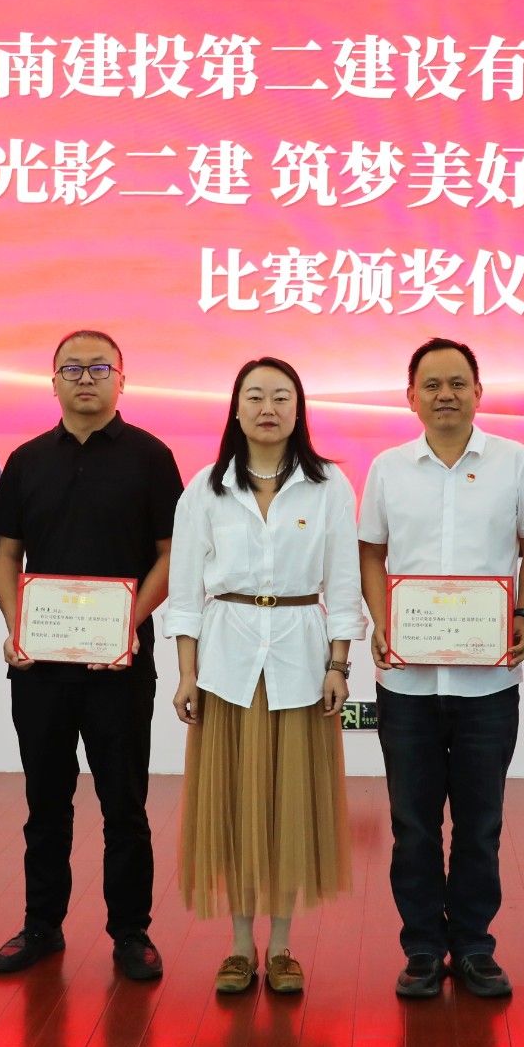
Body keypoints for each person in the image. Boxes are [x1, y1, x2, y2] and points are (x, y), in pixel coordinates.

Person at [0, 330, 183, 980]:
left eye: (100, 368)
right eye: (72, 368)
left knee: (124, 805)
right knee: (46, 803)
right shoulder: (26, 460)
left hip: (119, 665)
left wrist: (127, 623)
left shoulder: (151, 457)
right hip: (39, 666)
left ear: (122, 379)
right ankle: (41, 924)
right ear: (53, 382)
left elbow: (171, 555)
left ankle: (130, 931)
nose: (86, 378)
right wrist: (16, 626)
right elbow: (6, 554)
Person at [163, 357, 361, 996]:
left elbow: (345, 585)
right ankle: (240, 945)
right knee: (234, 806)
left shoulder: (329, 485)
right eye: (255, 396)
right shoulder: (205, 487)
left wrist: (339, 664)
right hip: (228, 666)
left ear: (299, 409)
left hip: (301, 662)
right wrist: (187, 673)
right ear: (236, 408)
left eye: (281, 396)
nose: (268, 408)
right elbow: (185, 592)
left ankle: (281, 947)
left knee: (289, 807)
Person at [360, 337, 524, 1001]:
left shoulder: (514, 461)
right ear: (411, 396)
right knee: (412, 824)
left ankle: (472, 945)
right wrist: (382, 620)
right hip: (407, 679)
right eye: (432, 384)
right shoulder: (387, 467)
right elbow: (371, 552)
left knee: (480, 823)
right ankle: (421, 946)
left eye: (458, 383)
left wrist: (523, 613)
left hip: (486, 681)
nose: (446, 394)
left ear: (478, 392)